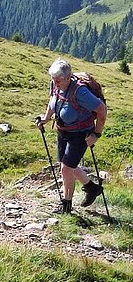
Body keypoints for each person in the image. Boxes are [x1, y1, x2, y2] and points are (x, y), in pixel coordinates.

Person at [35, 58, 107, 214]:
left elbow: (102, 110)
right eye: (53, 79)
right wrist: (46, 118)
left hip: (80, 134)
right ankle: (92, 188)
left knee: (66, 169)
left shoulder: (80, 91)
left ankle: (66, 206)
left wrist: (96, 134)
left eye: (58, 80)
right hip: (63, 131)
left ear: (68, 77)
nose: (55, 82)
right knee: (67, 165)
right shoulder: (57, 85)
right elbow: (52, 101)